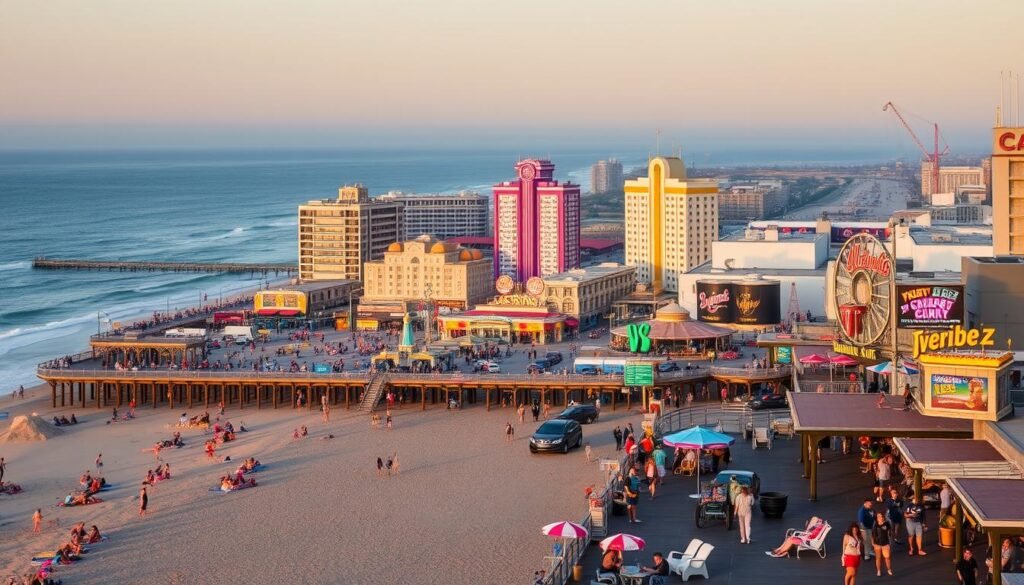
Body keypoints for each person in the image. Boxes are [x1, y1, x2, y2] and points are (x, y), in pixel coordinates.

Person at [871, 511, 894, 577]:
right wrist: (873, 542)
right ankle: (878, 570)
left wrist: (889, 543)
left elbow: (890, 533)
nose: (879, 518)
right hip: (877, 544)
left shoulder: (887, 524)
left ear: (883, 517)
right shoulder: (875, 524)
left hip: (885, 543)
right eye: (878, 516)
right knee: (878, 558)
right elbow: (873, 534)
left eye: (881, 516)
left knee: (887, 557)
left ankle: (889, 569)